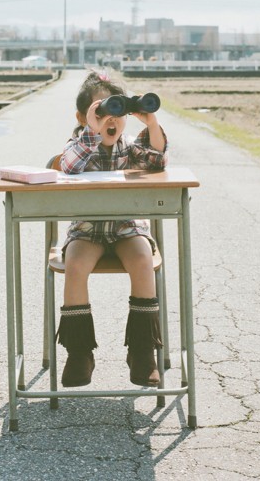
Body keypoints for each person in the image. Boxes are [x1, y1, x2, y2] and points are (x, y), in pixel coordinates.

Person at [56, 71, 168, 388]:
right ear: (84, 117)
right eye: (101, 111)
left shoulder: (129, 147)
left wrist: (151, 123)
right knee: (75, 265)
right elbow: (68, 166)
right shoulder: (77, 146)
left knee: (143, 258)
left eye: (116, 111)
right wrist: (91, 132)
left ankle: (143, 350)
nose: (110, 120)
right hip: (87, 231)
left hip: (125, 229)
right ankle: (79, 352)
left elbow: (158, 162)